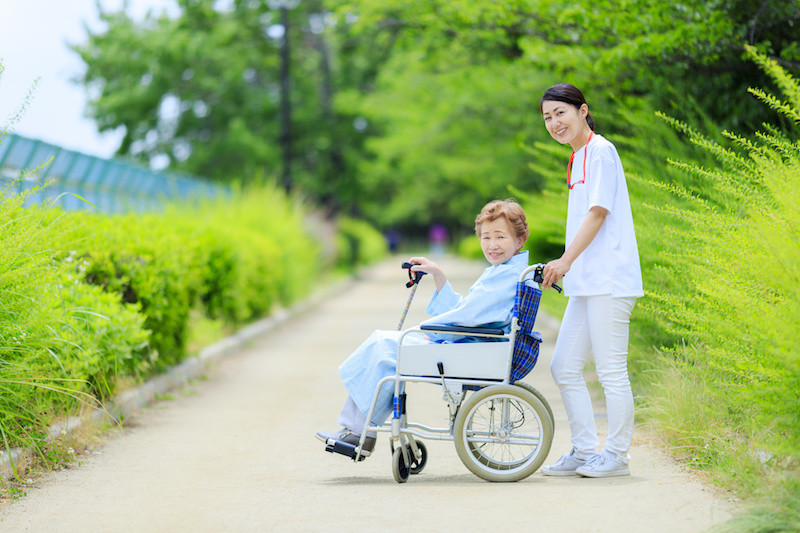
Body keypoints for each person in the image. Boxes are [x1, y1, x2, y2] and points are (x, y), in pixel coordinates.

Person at [316, 200, 530, 456]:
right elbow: (469, 312)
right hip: (473, 348)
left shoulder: (505, 277)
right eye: (486, 237)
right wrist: (438, 274)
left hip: (471, 351)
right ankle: (358, 429)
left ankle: (358, 432)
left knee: (384, 346)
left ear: (520, 239)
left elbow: (467, 316)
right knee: (383, 343)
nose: (492, 244)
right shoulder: (506, 272)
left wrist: (430, 331)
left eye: (500, 237)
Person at [538, 83, 644, 478]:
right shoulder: (578, 157)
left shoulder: (601, 151)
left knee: (611, 370)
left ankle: (616, 456)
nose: (554, 122)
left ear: (582, 111)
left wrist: (564, 260)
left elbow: (598, 213)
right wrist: (570, 266)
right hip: (587, 283)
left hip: (610, 280)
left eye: (560, 113)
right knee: (564, 366)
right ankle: (584, 451)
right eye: (547, 117)